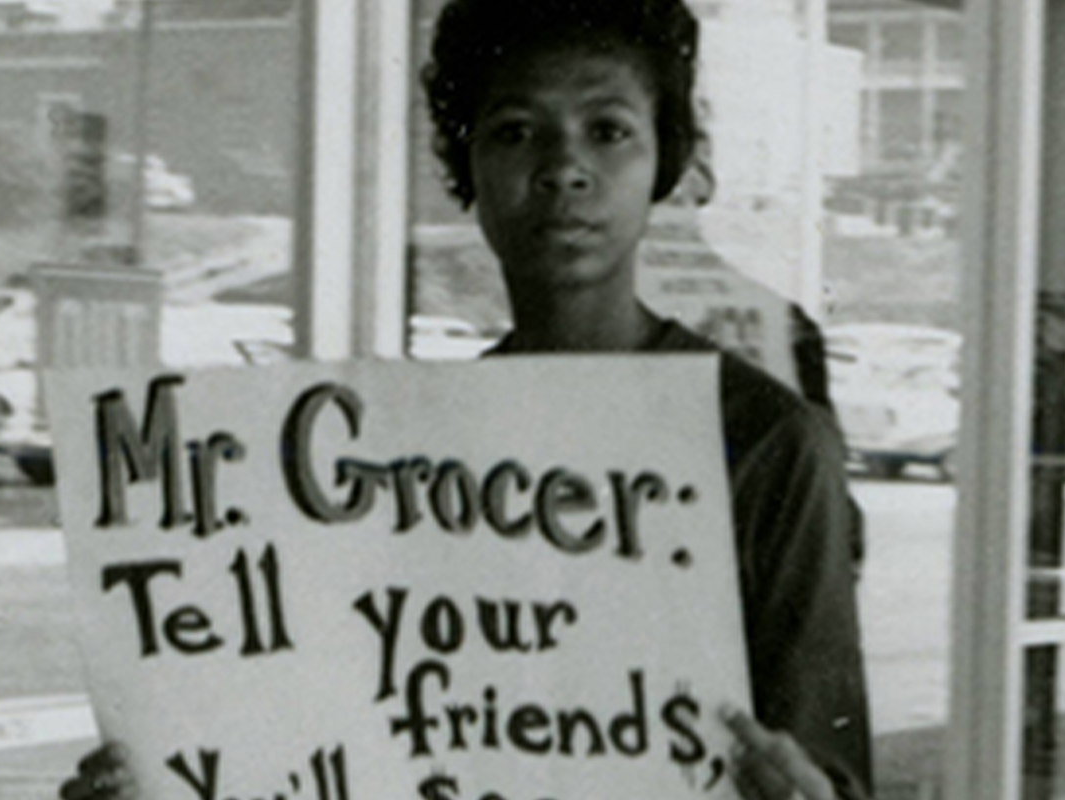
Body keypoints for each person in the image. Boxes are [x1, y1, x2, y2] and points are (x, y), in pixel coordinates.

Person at [60, 2, 872, 799]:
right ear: (467, 164)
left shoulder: (767, 440)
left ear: (665, 159)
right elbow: (329, 724)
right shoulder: (394, 456)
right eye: (516, 130)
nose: (564, 167)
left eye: (609, 129)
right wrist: (168, 773)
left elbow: (832, 766)